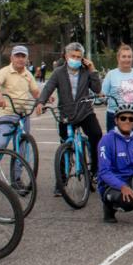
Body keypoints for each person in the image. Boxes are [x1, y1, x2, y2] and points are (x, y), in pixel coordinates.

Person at [35, 42, 103, 188]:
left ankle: (95, 170)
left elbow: (97, 89)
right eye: (73, 56)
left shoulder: (86, 71)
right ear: (66, 56)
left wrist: (92, 69)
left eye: (79, 57)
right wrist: (41, 102)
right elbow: (48, 88)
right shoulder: (58, 72)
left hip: (85, 112)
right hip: (66, 113)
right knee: (64, 145)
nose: (76, 59)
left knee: (96, 134)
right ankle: (61, 180)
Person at [0, 45, 41, 149]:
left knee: (22, 146)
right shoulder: (5, 71)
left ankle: (20, 166)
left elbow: (35, 92)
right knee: (1, 144)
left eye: (23, 56)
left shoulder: (28, 74)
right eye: (17, 56)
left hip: (24, 115)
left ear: (27, 59)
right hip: (7, 114)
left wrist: (44, 99)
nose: (20, 59)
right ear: (11, 58)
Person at [102, 44, 133, 134]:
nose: (127, 59)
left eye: (129, 57)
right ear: (118, 58)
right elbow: (103, 95)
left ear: (132, 58)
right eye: (124, 56)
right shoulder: (111, 74)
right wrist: (102, 97)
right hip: (114, 115)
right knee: (114, 144)